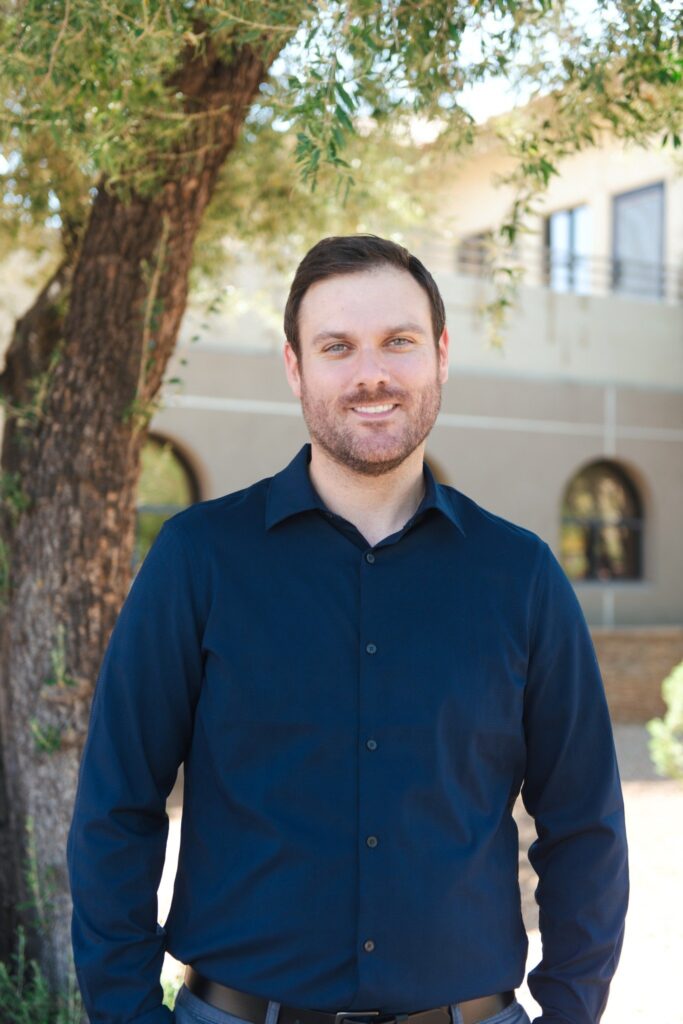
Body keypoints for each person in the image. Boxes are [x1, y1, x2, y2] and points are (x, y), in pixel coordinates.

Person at [67, 235, 629, 1024]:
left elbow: (584, 826)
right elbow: (116, 805)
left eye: (397, 342)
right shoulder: (199, 560)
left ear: (439, 355)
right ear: (295, 367)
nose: (372, 374)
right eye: (337, 346)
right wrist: (126, 1013)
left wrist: (569, 1012)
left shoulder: (521, 576)